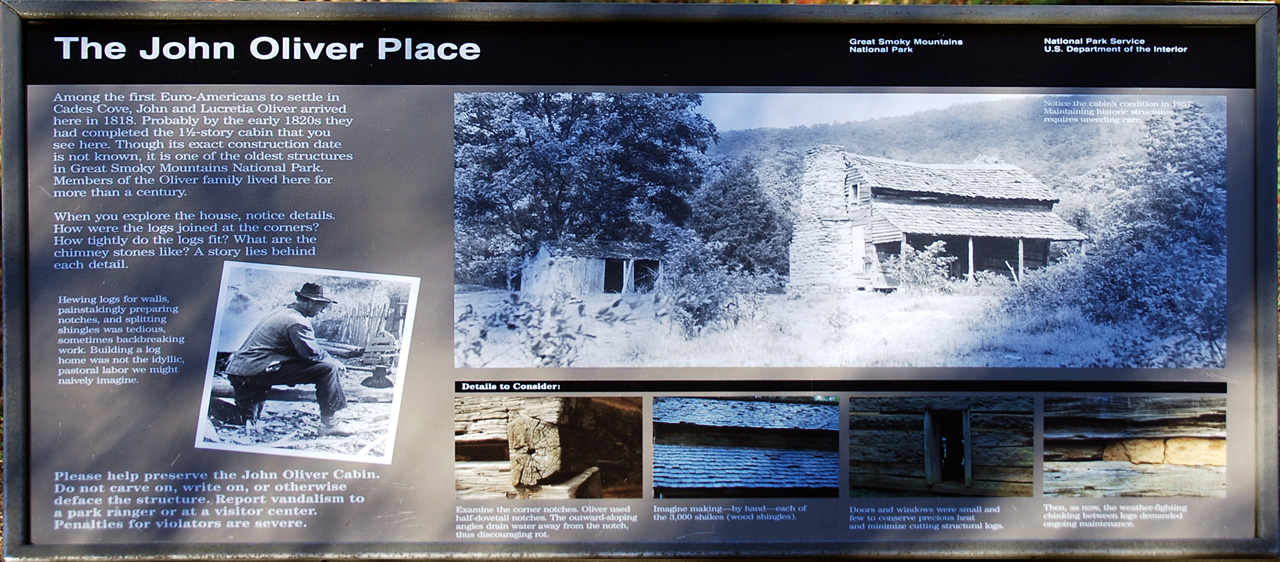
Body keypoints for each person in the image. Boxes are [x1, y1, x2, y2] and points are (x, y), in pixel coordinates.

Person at [224, 282, 353, 436]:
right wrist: (333, 361)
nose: (323, 311)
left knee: (244, 420)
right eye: (322, 306)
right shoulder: (297, 321)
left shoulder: (282, 311)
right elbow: (311, 354)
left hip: (241, 371)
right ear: (311, 302)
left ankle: (205, 406)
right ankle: (329, 424)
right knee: (327, 369)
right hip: (254, 372)